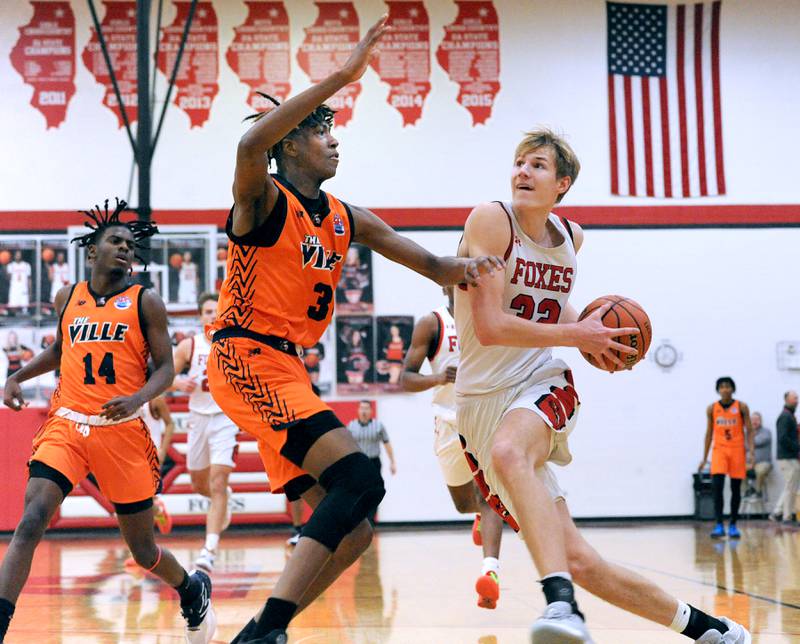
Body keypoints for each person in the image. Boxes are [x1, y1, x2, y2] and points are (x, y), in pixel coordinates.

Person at [206, 16, 501, 644]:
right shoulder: (262, 199)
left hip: (288, 369)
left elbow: (430, 264)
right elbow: (247, 148)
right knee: (360, 479)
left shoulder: (345, 218)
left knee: (359, 527)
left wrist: (474, 265)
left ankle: (256, 633)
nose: (334, 142)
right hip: (244, 356)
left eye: (335, 130)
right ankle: (267, 633)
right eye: (320, 132)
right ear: (289, 143)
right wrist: (340, 76)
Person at [455, 129, 750, 643]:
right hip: (477, 403)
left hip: (538, 383)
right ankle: (712, 631)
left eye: (539, 166)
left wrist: (599, 338)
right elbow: (491, 326)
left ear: (562, 183)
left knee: (509, 450)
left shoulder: (572, 237)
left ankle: (561, 608)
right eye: (519, 162)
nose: (523, 172)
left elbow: (552, 309)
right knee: (579, 559)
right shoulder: (491, 220)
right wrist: (579, 331)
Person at [0, 199, 215, 643]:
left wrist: (138, 397)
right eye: (114, 241)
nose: (124, 248)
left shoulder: (145, 301)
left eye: (130, 245)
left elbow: (165, 369)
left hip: (122, 432)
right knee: (30, 520)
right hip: (68, 423)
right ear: (92, 251)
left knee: (143, 550)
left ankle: (191, 589)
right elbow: (62, 351)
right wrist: (17, 375)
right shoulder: (69, 297)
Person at [401, 285, 504, 609]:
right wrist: (438, 379)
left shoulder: (488, 317)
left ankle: (491, 573)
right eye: (454, 279)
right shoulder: (432, 324)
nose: (459, 287)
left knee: (491, 497)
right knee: (464, 503)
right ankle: (476, 515)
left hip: (484, 417)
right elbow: (405, 378)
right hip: (446, 421)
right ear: (444, 285)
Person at [172, 293, 239, 572]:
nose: (212, 315)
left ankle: (209, 549)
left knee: (217, 480)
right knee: (199, 484)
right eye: (208, 311)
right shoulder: (189, 345)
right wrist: (178, 383)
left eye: (217, 310)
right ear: (200, 316)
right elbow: (165, 378)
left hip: (226, 418)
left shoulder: (235, 343)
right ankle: (224, 500)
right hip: (198, 418)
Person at [699, 377, 755, 539]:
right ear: (718, 389)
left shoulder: (742, 407)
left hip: (737, 450)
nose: (725, 389)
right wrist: (704, 458)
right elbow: (709, 433)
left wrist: (751, 453)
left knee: (736, 489)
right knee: (717, 488)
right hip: (719, 451)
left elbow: (750, 431)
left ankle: (733, 525)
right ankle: (718, 524)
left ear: (732, 388)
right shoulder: (712, 408)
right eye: (722, 387)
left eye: (728, 386)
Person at [346, 401, 396, 524]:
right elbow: (346, 445)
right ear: (358, 410)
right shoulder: (351, 426)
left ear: (371, 411)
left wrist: (392, 462)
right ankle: (358, 520)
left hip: (374, 462)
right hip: (358, 463)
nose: (364, 411)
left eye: (367, 408)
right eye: (362, 408)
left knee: (374, 491)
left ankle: (370, 520)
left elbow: (387, 443)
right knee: (358, 491)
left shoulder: (378, 426)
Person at [770, 391, 799, 525]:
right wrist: (797, 447)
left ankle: (777, 513)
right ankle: (786, 516)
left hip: (790, 456)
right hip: (787, 457)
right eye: (794, 398)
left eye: (797, 398)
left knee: (790, 486)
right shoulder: (785, 417)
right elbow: (783, 438)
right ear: (786, 399)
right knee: (790, 487)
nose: (796, 400)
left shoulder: (790, 416)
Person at [749, 412, 772, 499]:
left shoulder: (766, 432)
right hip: (749, 463)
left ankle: (758, 491)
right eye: (752, 420)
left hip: (763, 463)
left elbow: (756, 442)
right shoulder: (747, 432)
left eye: (757, 420)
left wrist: (749, 438)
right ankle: (748, 490)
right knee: (737, 469)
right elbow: (743, 445)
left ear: (761, 421)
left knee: (761, 470)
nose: (754, 422)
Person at [6, 250, 31, 315]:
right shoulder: (10, 266)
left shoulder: (26, 265)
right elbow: (8, 278)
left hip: (23, 290)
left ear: (21, 255)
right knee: (13, 308)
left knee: (24, 310)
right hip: (14, 289)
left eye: (19, 254)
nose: (18, 256)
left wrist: (30, 291)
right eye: (17, 254)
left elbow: (29, 279)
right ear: (14, 256)